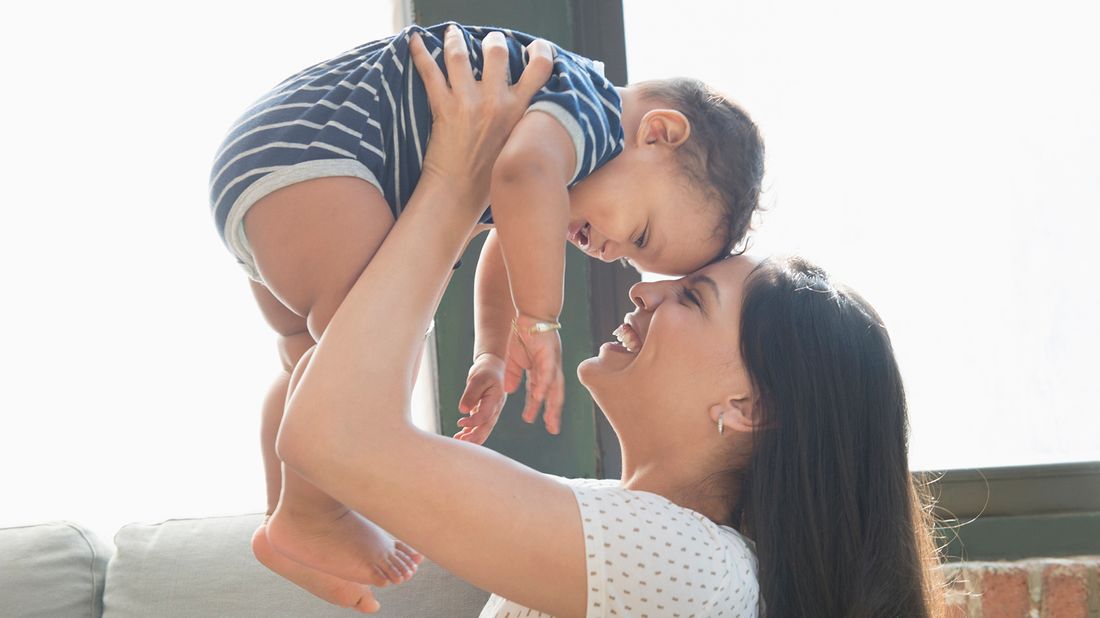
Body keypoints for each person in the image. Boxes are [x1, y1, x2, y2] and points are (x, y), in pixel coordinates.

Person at [270, 28, 944, 616]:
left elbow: (331, 435)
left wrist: (456, 172)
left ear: (749, 405)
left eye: (691, 298)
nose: (642, 293)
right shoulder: (643, 537)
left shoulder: (695, 570)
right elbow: (331, 429)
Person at [209, 22, 765, 592]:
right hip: (323, 163)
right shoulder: (588, 109)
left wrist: (492, 354)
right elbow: (521, 179)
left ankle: (289, 522)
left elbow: (510, 227)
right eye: (641, 235)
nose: (610, 253)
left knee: (313, 358)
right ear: (660, 133)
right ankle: (314, 516)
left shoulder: (555, 144)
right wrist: (540, 316)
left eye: (629, 256)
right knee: (374, 348)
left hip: (273, 166)